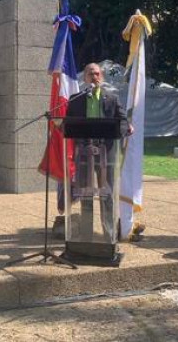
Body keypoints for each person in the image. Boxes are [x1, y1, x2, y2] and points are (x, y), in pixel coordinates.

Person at [63, 63, 133, 242]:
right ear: (85, 78)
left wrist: (123, 130)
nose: (93, 76)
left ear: (101, 76)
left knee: (107, 194)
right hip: (84, 153)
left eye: (96, 73)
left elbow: (122, 121)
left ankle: (109, 235)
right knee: (86, 194)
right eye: (89, 74)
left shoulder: (112, 98)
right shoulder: (76, 99)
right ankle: (86, 236)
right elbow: (67, 124)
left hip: (107, 154)